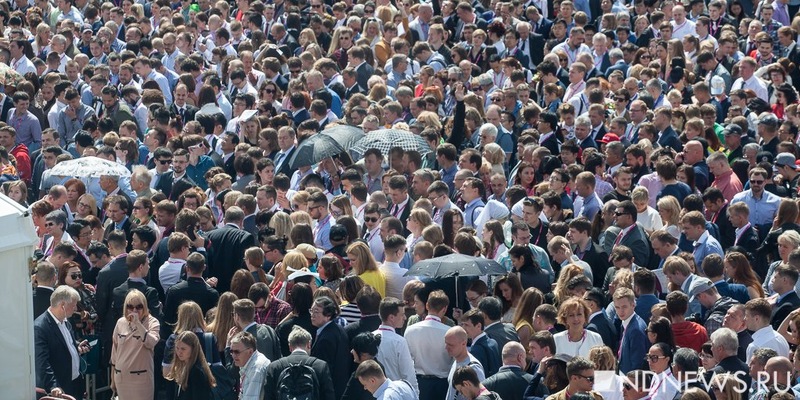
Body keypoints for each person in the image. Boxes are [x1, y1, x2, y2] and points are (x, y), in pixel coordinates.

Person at [34, 285, 91, 399]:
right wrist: (53, 386)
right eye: (73, 305)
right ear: (63, 306)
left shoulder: (65, 321)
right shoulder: (40, 327)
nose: (75, 309)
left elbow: (64, 343)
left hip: (75, 382)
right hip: (60, 388)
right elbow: (41, 362)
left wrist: (77, 346)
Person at [110, 289, 161, 400]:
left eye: (139, 307)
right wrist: (113, 378)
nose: (134, 310)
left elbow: (151, 342)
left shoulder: (153, 322)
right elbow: (114, 351)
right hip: (122, 378)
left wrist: (138, 323)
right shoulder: (120, 322)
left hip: (141, 380)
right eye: (130, 306)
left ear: (145, 306)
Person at [264, 326, 336, 400]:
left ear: (290, 346)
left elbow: (268, 397)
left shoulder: (275, 367)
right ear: (309, 344)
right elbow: (329, 397)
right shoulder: (321, 366)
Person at [405, 289, 453, 399]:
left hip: (420, 383)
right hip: (442, 384)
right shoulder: (449, 332)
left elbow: (407, 359)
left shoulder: (410, 330)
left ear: (427, 305)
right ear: (445, 309)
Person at [205, 206, 256, 293]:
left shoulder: (208, 235)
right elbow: (248, 265)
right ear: (242, 221)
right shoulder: (245, 237)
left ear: (224, 221)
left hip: (212, 288)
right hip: (236, 289)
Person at [374, 297, 419, 393]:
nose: (405, 318)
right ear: (391, 317)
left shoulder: (370, 337)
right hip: (395, 394)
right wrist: (415, 394)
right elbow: (408, 374)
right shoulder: (399, 342)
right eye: (402, 315)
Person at [310, 295, 351, 399]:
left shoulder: (326, 338)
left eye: (316, 312)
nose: (312, 315)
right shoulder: (339, 329)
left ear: (328, 315)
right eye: (311, 311)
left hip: (330, 391)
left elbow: (324, 370)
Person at [165, 331, 216, 400]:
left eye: (183, 349)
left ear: (193, 349)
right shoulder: (181, 367)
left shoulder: (196, 372)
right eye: (177, 348)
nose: (179, 352)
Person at [445, 326, 486, 400]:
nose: (446, 348)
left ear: (464, 343)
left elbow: (481, 396)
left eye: (451, 345)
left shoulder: (473, 368)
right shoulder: (456, 362)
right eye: (446, 343)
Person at [613, 287, 648, 373]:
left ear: (633, 305)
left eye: (624, 307)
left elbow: (637, 364)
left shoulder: (636, 330)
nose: (620, 311)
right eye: (617, 307)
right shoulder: (625, 322)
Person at [228, 331, 269, 400]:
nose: (233, 356)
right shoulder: (248, 362)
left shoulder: (256, 369)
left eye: (237, 352)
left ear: (250, 351)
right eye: (231, 351)